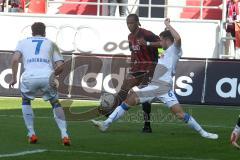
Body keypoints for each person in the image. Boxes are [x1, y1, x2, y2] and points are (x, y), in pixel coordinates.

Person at [92, 18, 219, 140]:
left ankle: (204, 133)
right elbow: (165, 42)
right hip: (154, 86)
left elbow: (178, 38)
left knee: (180, 114)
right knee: (128, 100)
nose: (160, 43)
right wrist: (165, 30)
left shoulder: (175, 50)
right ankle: (106, 123)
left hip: (163, 87)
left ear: (167, 40)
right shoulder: (167, 51)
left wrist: (168, 25)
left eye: (162, 41)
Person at [9, 22, 70, 146]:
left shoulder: (22, 42)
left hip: (29, 77)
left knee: (26, 101)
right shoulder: (52, 44)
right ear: (45, 32)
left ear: (32, 32)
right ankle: (64, 135)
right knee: (55, 103)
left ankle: (31, 133)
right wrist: (53, 75)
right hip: (47, 76)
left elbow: (15, 59)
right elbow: (61, 66)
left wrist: (14, 78)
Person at [99, 14, 160, 133]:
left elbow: (162, 43)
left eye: (131, 23)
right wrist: (132, 66)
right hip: (137, 68)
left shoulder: (146, 33)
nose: (129, 25)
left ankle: (147, 125)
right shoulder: (130, 36)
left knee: (144, 96)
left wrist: (147, 44)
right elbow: (133, 52)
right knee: (124, 88)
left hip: (150, 67)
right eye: (127, 23)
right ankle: (112, 111)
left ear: (138, 22)